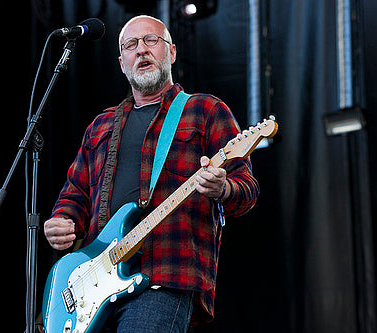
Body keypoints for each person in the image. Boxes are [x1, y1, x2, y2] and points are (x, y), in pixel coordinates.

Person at [43, 15, 259, 332]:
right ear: (121, 62)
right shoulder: (100, 125)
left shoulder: (205, 110)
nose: (141, 50)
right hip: (95, 285)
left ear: (171, 53)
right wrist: (62, 220)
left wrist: (222, 188)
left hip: (164, 276)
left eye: (151, 41)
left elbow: (247, 190)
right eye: (131, 45)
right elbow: (74, 194)